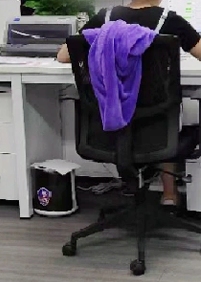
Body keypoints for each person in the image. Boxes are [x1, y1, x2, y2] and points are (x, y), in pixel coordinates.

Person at [57, 0, 201, 207]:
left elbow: (63, 55)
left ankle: (133, 186)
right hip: (156, 124)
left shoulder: (105, 18)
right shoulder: (169, 20)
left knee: (156, 115)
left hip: (110, 121)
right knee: (165, 114)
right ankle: (169, 194)